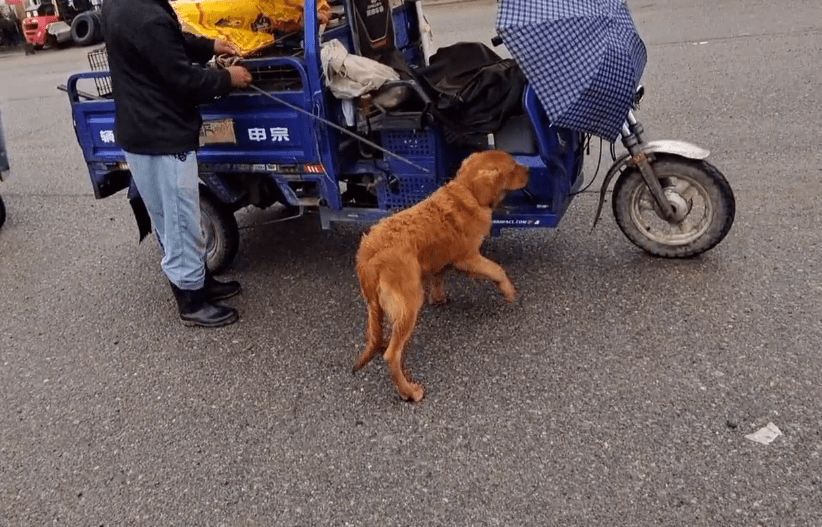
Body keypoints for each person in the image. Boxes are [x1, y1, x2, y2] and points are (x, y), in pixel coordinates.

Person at [102, 0, 253, 327]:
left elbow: (168, 43)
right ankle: (192, 304)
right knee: (181, 222)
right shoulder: (146, 16)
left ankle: (200, 281)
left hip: (143, 131)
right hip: (161, 135)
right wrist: (229, 78)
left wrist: (210, 45)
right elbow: (183, 79)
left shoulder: (123, 4)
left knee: (173, 218)